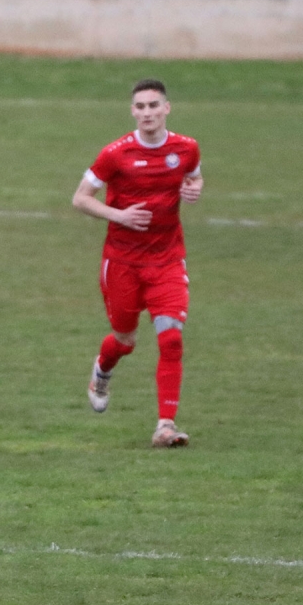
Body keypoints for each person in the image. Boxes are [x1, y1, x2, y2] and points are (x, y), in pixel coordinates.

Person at [72, 79, 204, 448]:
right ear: (133, 112)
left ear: (167, 108)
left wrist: (195, 188)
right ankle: (102, 369)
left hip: (166, 260)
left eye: (153, 105)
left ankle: (165, 425)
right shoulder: (116, 154)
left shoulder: (187, 148)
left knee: (172, 339)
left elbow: (193, 176)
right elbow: (81, 199)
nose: (147, 112)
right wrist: (120, 216)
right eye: (140, 107)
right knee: (125, 339)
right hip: (123, 262)